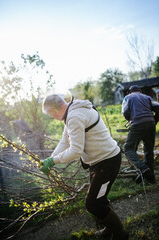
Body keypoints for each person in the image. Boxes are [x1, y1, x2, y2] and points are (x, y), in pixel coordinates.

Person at [40, 94, 129, 240]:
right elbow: (65, 141)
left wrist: (53, 162)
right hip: (98, 162)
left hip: (107, 162)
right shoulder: (71, 112)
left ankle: (120, 234)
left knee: (93, 203)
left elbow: (75, 151)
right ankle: (110, 228)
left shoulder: (74, 116)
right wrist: (50, 159)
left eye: (49, 114)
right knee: (99, 198)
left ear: (51, 111)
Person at [122, 85, 159, 184]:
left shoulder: (127, 98)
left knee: (128, 148)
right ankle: (151, 178)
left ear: (130, 92)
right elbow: (158, 107)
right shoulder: (147, 97)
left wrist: (130, 119)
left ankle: (143, 169)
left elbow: (125, 112)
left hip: (137, 124)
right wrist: (154, 121)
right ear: (140, 91)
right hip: (150, 124)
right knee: (149, 151)